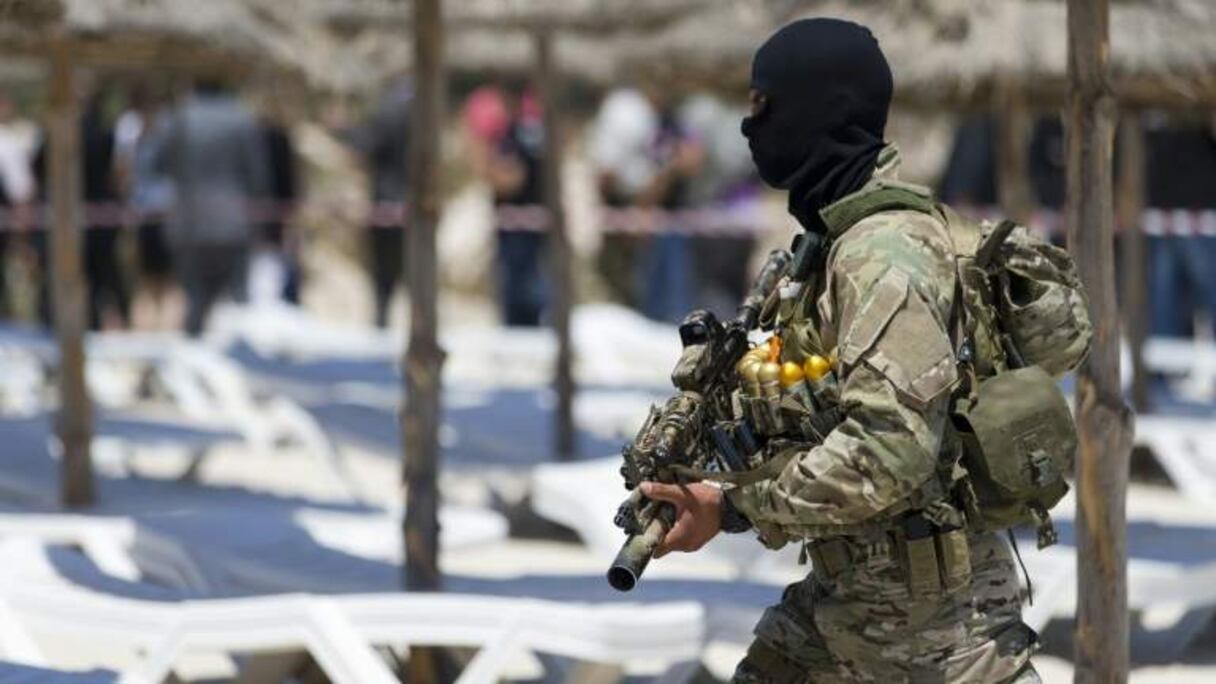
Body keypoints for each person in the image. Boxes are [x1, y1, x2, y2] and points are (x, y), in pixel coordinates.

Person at [638, 20, 1040, 682]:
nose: (749, 128)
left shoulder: (883, 257)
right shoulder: (832, 245)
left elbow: (891, 449)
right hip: (847, 602)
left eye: (764, 107)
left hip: (934, 634)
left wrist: (734, 508)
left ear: (818, 113)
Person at [151, 78, 269, 336]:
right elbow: (258, 176)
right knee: (237, 305)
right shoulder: (241, 119)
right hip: (232, 221)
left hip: (188, 221)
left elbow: (156, 165)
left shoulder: (178, 118)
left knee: (195, 302)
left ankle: (196, 354)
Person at [468, 84, 547, 327]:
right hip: (521, 226)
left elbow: (513, 179)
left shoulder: (522, 130)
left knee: (527, 298)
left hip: (526, 229)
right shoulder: (523, 129)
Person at [352, 78, 410, 328]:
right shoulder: (421, 114)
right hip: (412, 200)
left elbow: (365, 149)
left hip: (386, 198)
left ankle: (382, 315)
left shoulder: (384, 112)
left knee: (383, 266)